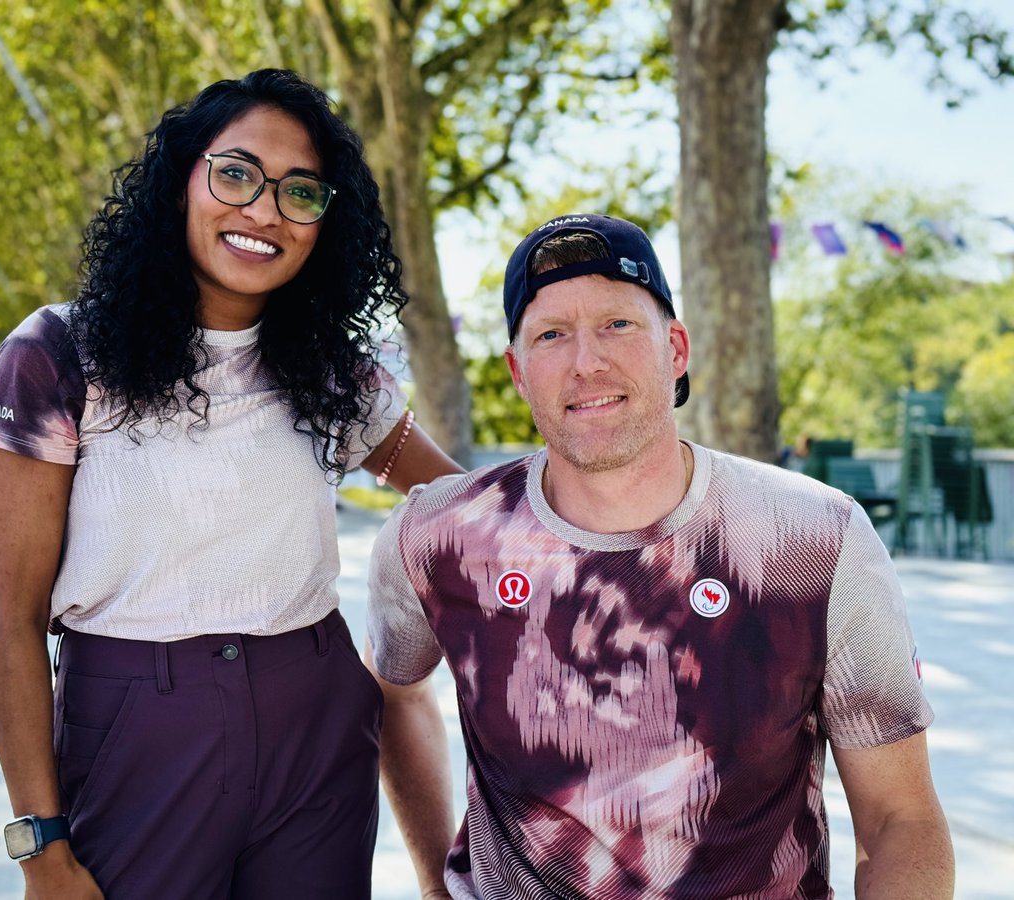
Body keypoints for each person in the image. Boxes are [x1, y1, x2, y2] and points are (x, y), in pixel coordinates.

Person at [0, 69, 460, 899]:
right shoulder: (59, 355)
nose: (265, 211)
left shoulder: (333, 375)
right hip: (134, 731)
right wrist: (41, 850)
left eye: (300, 192)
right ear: (181, 182)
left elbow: (461, 504)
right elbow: (10, 621)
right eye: (236, 174)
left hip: (317, 729)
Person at [366, 214, 953, 899]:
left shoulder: (813, 537)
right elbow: (393, 692)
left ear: (675, 348)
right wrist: (436, 886)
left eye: (617, 324)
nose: (587, 362)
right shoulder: (438, 535)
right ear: (518, 372)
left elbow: (900, 819)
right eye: (552, 334)